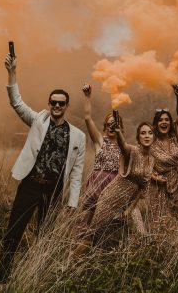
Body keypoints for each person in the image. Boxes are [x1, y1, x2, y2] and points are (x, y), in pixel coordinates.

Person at [0, 54, 86, 284]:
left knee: (45, 236)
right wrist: (12, 72)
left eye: (61, 103)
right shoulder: (38, 121)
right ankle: (2, 277)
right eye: (53, 102)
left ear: (66, 106)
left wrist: (72, 202)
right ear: (49, 104)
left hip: (53, 191)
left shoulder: (78, 136)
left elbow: (77, 171)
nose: (57, 106)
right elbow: (16, 102)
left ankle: (37, 277)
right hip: (30, 185)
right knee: (14, 232)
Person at [75, 120, 156, 255]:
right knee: (93, 235)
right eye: (143, 133)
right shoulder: (133, 151)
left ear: (154, 137)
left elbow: (142, 189)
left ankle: (136, 263)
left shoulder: (152, 160)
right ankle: (74, 262)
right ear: (138, 138)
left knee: (140, 233)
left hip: (129, 203)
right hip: (110, 199)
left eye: (150, 133)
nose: (147, 136)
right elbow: (123, 146)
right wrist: (118, 132)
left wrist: (130, 209)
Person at [73, 84, 122, 241]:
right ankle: (79, 247)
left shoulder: (124, 146)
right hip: (96, 183)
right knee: (87, 218)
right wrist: (88, 97)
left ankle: (102, 248)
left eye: (115, 124)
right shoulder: (100, 141)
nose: (111, 127)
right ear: (105, 126)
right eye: (109, 124)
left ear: (120, 127)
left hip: (113, 186)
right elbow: (87, 118)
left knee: (108, 221)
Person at [146, 85, 178, 229]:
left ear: (171, 123)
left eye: (166, 120)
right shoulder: (151, 142)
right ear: (156, 124)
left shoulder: (176, 137)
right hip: (160, 185)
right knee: (162, 223)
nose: (164, 122)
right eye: (160, 120)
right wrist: (155, 177)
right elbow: (144, 164)